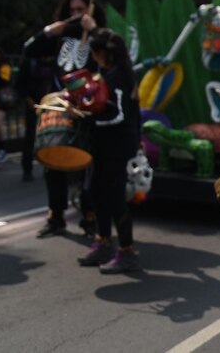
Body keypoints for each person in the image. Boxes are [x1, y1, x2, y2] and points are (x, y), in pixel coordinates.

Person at [22, 0, 105, 238]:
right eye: (72, 11)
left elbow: (112, 56)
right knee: (53, 160)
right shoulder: (61, 36)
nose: (76, 15)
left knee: (88, 163)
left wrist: (94, 31)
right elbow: (29, 50)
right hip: (59, 103)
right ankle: (55, 216)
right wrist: (51, 30)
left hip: (86, 107)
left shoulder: (99, 35)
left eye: (80, 10)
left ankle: (90, 215)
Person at [75, 28, 141, 273]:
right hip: (105, 146)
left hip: (117, 146)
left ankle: (127, 251)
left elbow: (122, 116)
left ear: (103, 53)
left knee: (115, 198)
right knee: (96, 193)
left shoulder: (118, 77)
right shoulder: (110, 75)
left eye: (94, 52)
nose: (93, 57)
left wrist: (86, 118)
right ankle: (103, 242)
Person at [17, 52, 58, 181]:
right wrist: (29, 100)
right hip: (33, 105)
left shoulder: (56, 61)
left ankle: (50, 166)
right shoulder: (30, 62)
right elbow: (19, 84)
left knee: (52, 136)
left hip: (52, 104)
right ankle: (27, 168)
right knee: (31, 137)